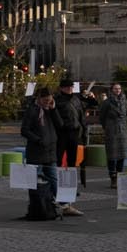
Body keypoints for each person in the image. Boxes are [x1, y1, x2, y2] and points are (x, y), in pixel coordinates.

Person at [19, 89, 65, 221]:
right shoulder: (32, 110)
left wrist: (53, 109)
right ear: (39, 98)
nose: (47, 103)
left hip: (50, 150)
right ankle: (37, 205)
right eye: (45, 101)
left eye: (50, 100)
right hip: (36, 151)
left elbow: (60, 125)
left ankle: (62, 203)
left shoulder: (50, 109)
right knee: (34, 180)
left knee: (53, 177)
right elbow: (24, 130)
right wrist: (38, 140)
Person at [52, 79, 86, 188]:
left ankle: (71, 186)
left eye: (71, 87)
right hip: (61, 134)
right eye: (67, 87)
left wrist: (83, 131)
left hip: (74, 133)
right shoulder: (56, 100)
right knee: (58, 159)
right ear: (61, 88)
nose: (70, 89)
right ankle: (56, 184)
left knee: (72, 161)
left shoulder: (76, 99)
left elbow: (81, 116)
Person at [97, 83, 127, 186]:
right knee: (112, 155)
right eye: (115, 88)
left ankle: (120, 176)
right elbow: (102, 116)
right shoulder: (107, 102)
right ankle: (113, 178)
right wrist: (106, 127)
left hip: (122, 130)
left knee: (122, 155)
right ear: (111, 90)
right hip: (111, 130)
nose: (118, 90)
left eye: (119, 88)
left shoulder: (124, 100)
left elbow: (125, 114)